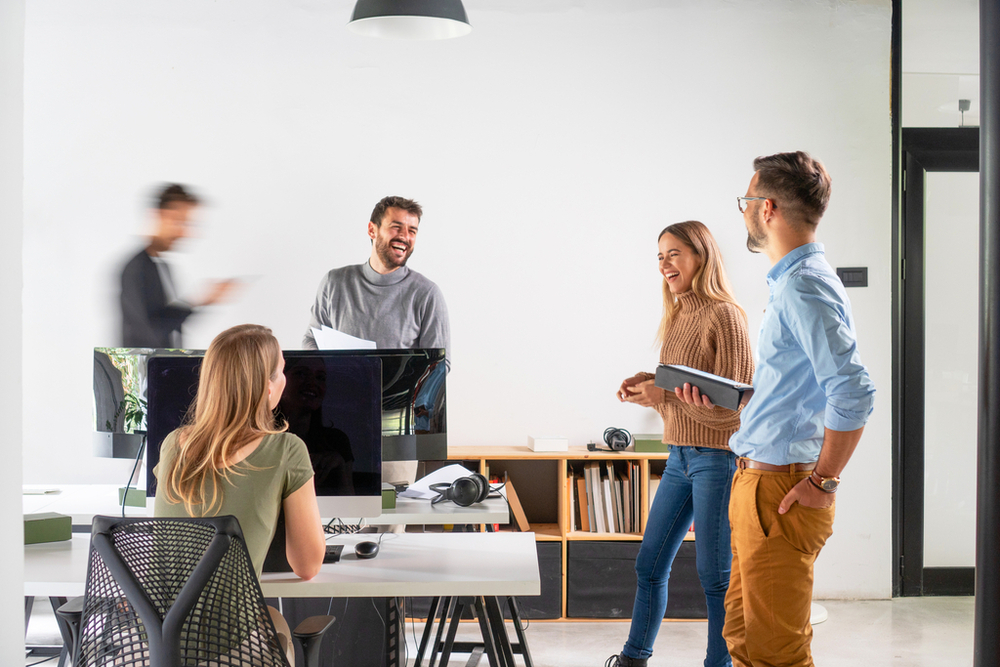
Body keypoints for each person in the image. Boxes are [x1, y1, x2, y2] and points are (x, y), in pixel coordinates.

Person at [680, 152, 874, 667]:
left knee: (775, 655)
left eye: (746, 201)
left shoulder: (804, 285)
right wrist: (734, 396)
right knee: (743, 639)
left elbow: (853, 391)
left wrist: (823, 481)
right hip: (757, 483)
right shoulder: (790, 283)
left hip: (781, 491)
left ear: (766, 208)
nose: (743, 211)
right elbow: (797, 389)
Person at [609, 221, 754, 667]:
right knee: (649, 565)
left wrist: (664, 394)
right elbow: (685, 394)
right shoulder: (677, 314)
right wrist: (650, 385)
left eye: (673, 253)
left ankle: (719, 663)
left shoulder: (725, 315)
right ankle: (635, 658)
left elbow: (734, 409)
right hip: (678, 457)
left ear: (702, 255)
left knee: (715, 576)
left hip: (717, 459)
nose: (664, 264)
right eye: (659, 256)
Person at [154, 324, 326, 581]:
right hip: (233, 622)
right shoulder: (288, 450)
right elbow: (307, 567)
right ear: (267, 389)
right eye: (281, 370)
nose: (285, 378)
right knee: (277, 620)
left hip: (162, 620)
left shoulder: (173, 444)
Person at [302, 195, 450, 491]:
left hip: (395, 431)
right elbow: (310, 343)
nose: (405, 237)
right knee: (337, 517)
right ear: (372, 230)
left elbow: (440, 366)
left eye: (412, 230)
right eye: (397, 227)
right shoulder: (335, 282)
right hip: (336, 426)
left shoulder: (427, 294)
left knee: (389, 525)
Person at [120, 183, 236, 348]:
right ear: (157, 215)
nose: (184, 232)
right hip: (142, 369)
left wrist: (202, 301)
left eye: (187, 224)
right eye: (178, 222)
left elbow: (165, 322)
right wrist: (198, 301)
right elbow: (150, 328)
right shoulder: (136, 268)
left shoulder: (161, 266)